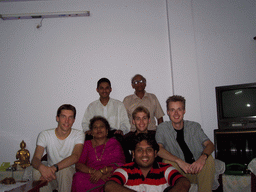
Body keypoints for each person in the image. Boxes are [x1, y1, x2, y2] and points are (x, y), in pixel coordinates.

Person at [155, 95, 215, 192]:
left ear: (184, 111)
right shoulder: (162, 128)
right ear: (168, 112)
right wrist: (179, 161)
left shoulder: (194, 126)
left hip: (197, 169)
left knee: (209, 159)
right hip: (179, 172)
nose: (176, 113)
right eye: (172, 110)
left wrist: (202, 158)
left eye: (179, 109)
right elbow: (158, 149)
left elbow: (210, 144)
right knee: (167, 162)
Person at [104, 133, 190, 192]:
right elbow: (109, 186)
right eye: (140, 150)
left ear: (155, 153)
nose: (144, 154)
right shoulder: (125, 170)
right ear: (133, 154)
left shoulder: (165, 169)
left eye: (149, 150)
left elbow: (184, 182)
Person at [31, 104, 85, 192]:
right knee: (36, 171)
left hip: (67, 174)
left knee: (65, 171)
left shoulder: (78, 134)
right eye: (63, 116)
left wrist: (54, 168)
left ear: (74, 120)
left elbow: (75, 156)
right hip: (49, 175)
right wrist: (42, 169)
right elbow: (35, 159)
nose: (67, 121)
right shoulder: (45, 134)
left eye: (70, 117)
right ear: (57, 118)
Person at [72, 116, 126, 192]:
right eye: (95, 127)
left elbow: (120, 164)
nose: (98, 129)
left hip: (109, 174)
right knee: (78, 177)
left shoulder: (114, 143)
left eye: (101, 126)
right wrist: (96, 173)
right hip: (92, 175)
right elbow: (79, 165)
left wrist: (102, 171)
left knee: (116, 178)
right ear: (91, 132)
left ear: (107, 130)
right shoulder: (87, 144)